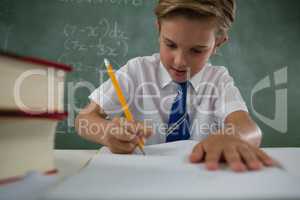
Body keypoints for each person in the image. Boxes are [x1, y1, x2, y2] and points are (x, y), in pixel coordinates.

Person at [75, 0, 275, 172]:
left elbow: (249, 129)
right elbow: (84, 119)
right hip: (139, 179)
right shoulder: (136, 71)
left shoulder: (218, 80)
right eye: (170, 45)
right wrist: (107, 133)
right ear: (158, 29)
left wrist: (232, 137)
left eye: (197, 50)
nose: (180, 62)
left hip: (199, 182)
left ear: (218, 44)